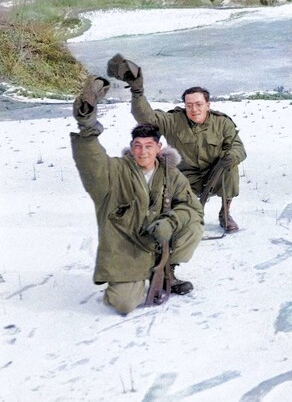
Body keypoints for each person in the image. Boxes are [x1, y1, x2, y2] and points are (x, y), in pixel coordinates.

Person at [70, 76, 203, 315]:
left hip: (159, 242)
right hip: (128, 247)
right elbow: (92, 162)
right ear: (132, 148)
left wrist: (171, 222)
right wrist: (88, 128)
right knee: (124, 304)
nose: (143, 152)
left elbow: (193, 208)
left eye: (149, 146)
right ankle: (134, 276)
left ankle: (166, 270)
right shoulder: (115, 171)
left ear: (158, 148)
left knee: (193, 225)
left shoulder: (171, 175)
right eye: (138, 146)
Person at [108, 55, 248, 233]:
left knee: (231, 169)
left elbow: (239, 147)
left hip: (216, 172)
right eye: (189, 105)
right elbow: (146, 118)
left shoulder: (222, 122)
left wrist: (231, 156)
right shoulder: (174, 120)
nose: (194, 109)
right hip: (185, 175)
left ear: (208, 105)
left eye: (198, 104)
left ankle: (225, 214)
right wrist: (137, 92)